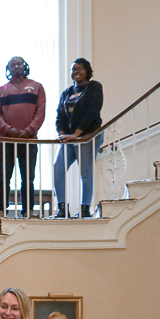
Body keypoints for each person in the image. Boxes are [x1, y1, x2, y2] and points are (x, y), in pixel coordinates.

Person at [0, 57, 46, 218]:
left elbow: (40, 111)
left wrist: (29, 130)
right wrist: (9, 130)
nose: (16, 66)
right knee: (3, 176)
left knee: (28, 177)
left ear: (25, 66)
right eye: (13, 65)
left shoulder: (37, 87)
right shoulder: (0, 91)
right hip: (6, 141)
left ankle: (28, 210)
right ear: (8, 69)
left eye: (19, 64)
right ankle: (1, 210)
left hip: (29, 141)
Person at [53, 57, 104, 219]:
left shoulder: (94, 87)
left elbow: (92, 111)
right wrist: (61, 132)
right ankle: (62, 209)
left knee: (86, 172)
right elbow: (59, 115)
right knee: (58, 168)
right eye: (73, 69)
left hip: (87, 136)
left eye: (79, 68)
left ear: (87, 70)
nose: (76, 72)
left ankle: (84, 210)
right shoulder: (67, 93)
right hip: (69, 138)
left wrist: (77, 133)